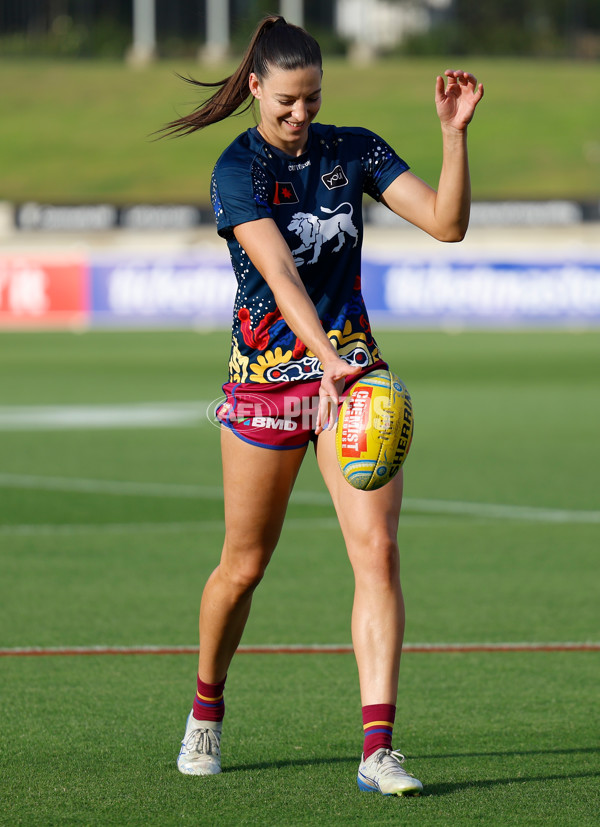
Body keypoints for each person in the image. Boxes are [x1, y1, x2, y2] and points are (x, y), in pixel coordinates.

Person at [161, 15, 483, 796]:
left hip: (356, 379)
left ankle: (379, 749)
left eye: (311, 101)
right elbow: (279, 276)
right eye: (287, 104)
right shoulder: (236, 169)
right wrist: (322, 357)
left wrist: (452, 134)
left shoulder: (354, 149)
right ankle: (206, 708)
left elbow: (447, 224)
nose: (301, 116)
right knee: (244, 565)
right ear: (254, 90)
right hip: (270, 380)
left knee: (377, 554)